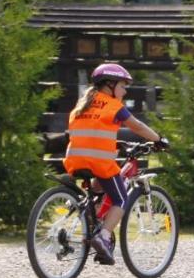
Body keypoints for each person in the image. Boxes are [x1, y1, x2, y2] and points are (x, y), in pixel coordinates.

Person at [63, 63, 167, 265]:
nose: (125, 90)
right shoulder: (114, 107)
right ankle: (103, 236)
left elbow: (92, 132)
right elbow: (137, 126)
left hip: (75, 161)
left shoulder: (81, 106)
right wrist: (158, 139)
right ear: (110, 85)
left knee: (98, 190)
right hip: (100, 163)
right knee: (121, 200)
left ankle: (88, 218)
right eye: (123, 85)